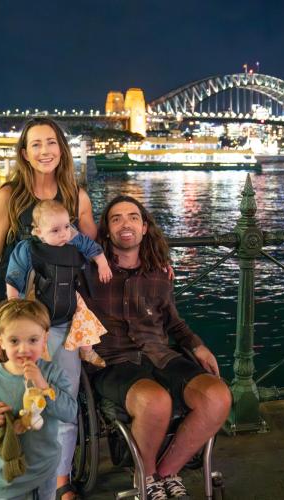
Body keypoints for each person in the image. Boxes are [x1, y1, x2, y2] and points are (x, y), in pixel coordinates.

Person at [83, 195, 232, 500]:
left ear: (145, 227)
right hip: (113, 362)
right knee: (156, 401)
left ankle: (165, 473)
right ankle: (147, 477)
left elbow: (174, 323)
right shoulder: (88, 271)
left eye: (133, 217)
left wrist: (198, 346)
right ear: (107, 231)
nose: (126, 223)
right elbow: (47, 245)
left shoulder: (158, 274)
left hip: (161, 356)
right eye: (116, 218)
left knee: (218, 397)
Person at [0, 117, 97, 499]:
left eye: (51, 142)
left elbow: (92, 247)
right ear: (25, 154)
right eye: (36, 145)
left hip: (61, 319)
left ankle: (59, 485)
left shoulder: (75, 195)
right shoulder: (8, 197)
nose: (45, 151)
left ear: (61, 148)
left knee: (61, 400)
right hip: (16, 321)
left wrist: (148, 254)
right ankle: (20, 475)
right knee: (16, 402)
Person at [0, 299, 78, 500]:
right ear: (0, 340)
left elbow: (70, 412)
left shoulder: (53, 374)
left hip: (45, 468)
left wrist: (44, 386)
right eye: (14, 341)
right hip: (6, 474)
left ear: (45, 339)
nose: (24, 349)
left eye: (33, 340)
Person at [6, 199, 111, 367]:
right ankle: (39, 353)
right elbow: (15, 272)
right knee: (31, 323)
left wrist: (102, 264)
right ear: (39, 232)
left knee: (85, 316)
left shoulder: (73, 240)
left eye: (67, 226)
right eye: (55, 230)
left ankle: (87, 350)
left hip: (69, 294)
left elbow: (91, 246)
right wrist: (13, 299)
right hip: (38, 296)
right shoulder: (27, 248)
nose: (64, 234)